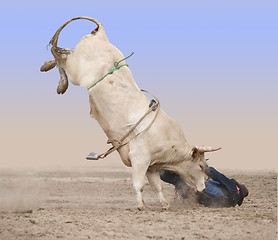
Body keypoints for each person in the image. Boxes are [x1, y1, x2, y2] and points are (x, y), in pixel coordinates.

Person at [159, 166, 249, 207]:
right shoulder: (229, 204)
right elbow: (203, 202)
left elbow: (218, 176)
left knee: (170, 173)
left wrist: (204, 167)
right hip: (193, 192)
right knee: (175, 179)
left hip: (198, 185)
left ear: (239, 189)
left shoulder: (233, 188)